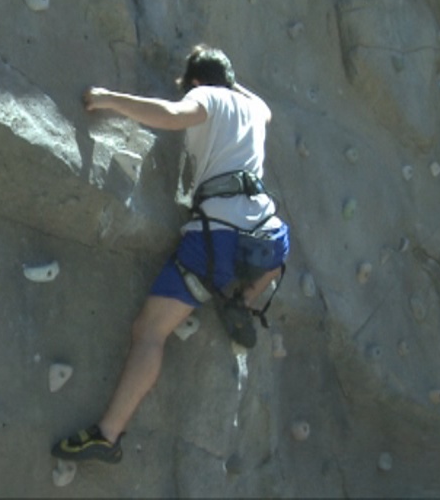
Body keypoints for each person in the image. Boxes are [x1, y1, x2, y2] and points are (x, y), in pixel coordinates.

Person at [51, 44, 290, 464]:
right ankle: (245, 299)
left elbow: (173, 116)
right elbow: (256, 101)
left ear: (196, 83)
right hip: (268, 238)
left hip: (217, 238)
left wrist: (108, 99)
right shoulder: (256, 110)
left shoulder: (207, 97)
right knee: (271, 258)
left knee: (150, 332)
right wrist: (228, 79)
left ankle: (107, 435)